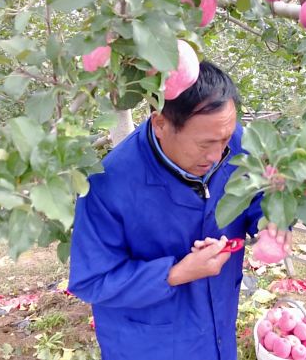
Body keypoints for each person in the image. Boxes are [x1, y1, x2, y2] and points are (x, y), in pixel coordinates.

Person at [68, 61, 292, 360]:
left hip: (217, 326)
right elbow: (92, 280)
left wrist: (270, 221)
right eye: (205, 144)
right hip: (148, 343)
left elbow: (256, 195)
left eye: (224, 140)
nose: (217, 156)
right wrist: (173, 274)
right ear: (160, 123)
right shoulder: (108, 184)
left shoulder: (232, 142)